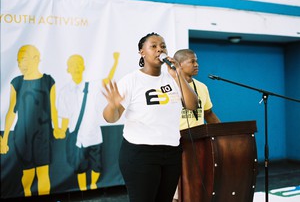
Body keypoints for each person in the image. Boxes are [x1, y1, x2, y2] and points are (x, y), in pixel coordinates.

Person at [102, 32, 198, 202]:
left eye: (162, 46)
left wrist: (178, 75)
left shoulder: (173, 77)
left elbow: (192, 105)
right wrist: (113, 105)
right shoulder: (131, 80)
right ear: (142, 52)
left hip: (171, 152)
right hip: (140, 154)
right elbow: (111, 118)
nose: (159, 49)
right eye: (153, 46)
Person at [0, 44, 60, 196]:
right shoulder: (17, 82)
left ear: (36, 59)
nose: (21, 64)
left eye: (24, 59)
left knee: (43, 172)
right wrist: (4, 138)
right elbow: (11, 111)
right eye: (19, 60)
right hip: (23, 134)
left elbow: (53, 108)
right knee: (27, 174)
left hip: (44, 134)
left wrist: (57, 127)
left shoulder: (48, 81)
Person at [57, 53, 119, 191]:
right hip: (77, 137)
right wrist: (62, 130)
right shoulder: (65, 92)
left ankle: (93, 185)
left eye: (79, 64)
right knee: (80, 167)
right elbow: (65, 117)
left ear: (84, 67)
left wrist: (115, 61)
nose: (76, 68)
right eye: (73, 65)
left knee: (97, 166)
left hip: (94, 135)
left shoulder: (92, 86)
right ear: (68, 69)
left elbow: (108, 79)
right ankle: (83, 189)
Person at [172, 49, 221, 202]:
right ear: (179, 65)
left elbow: (209, 114)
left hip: (198, 144)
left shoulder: (202, 87)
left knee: (196, 187)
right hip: (175, 144)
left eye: (196, 61)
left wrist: (225, 133)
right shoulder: (168, 86)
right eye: (192, 61)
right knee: (174, 190)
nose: (196, 65)